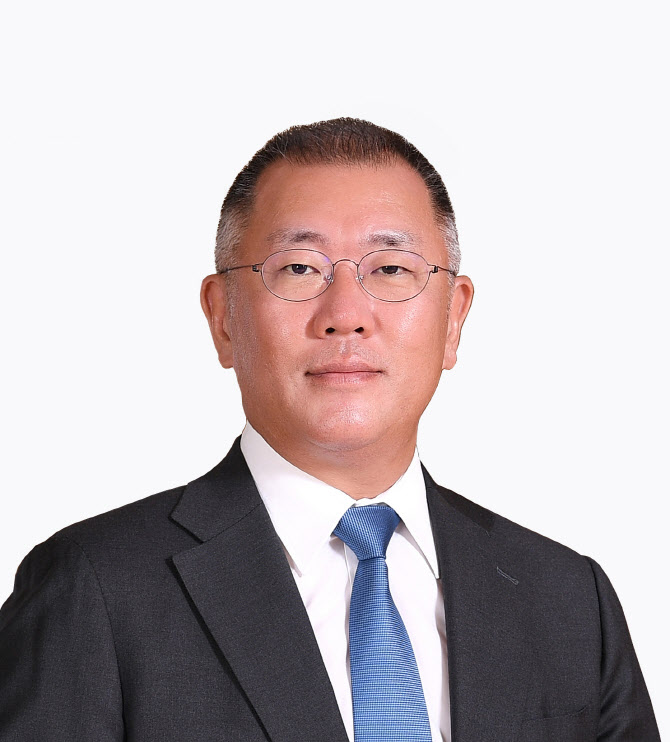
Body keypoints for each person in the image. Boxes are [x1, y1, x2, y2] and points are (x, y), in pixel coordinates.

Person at [0, 118, 659, 741]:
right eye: (299, 269)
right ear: (223, 317)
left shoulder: (568, 601)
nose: (346, 314)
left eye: (391, 269)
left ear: (454, 319)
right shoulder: (95, 588)